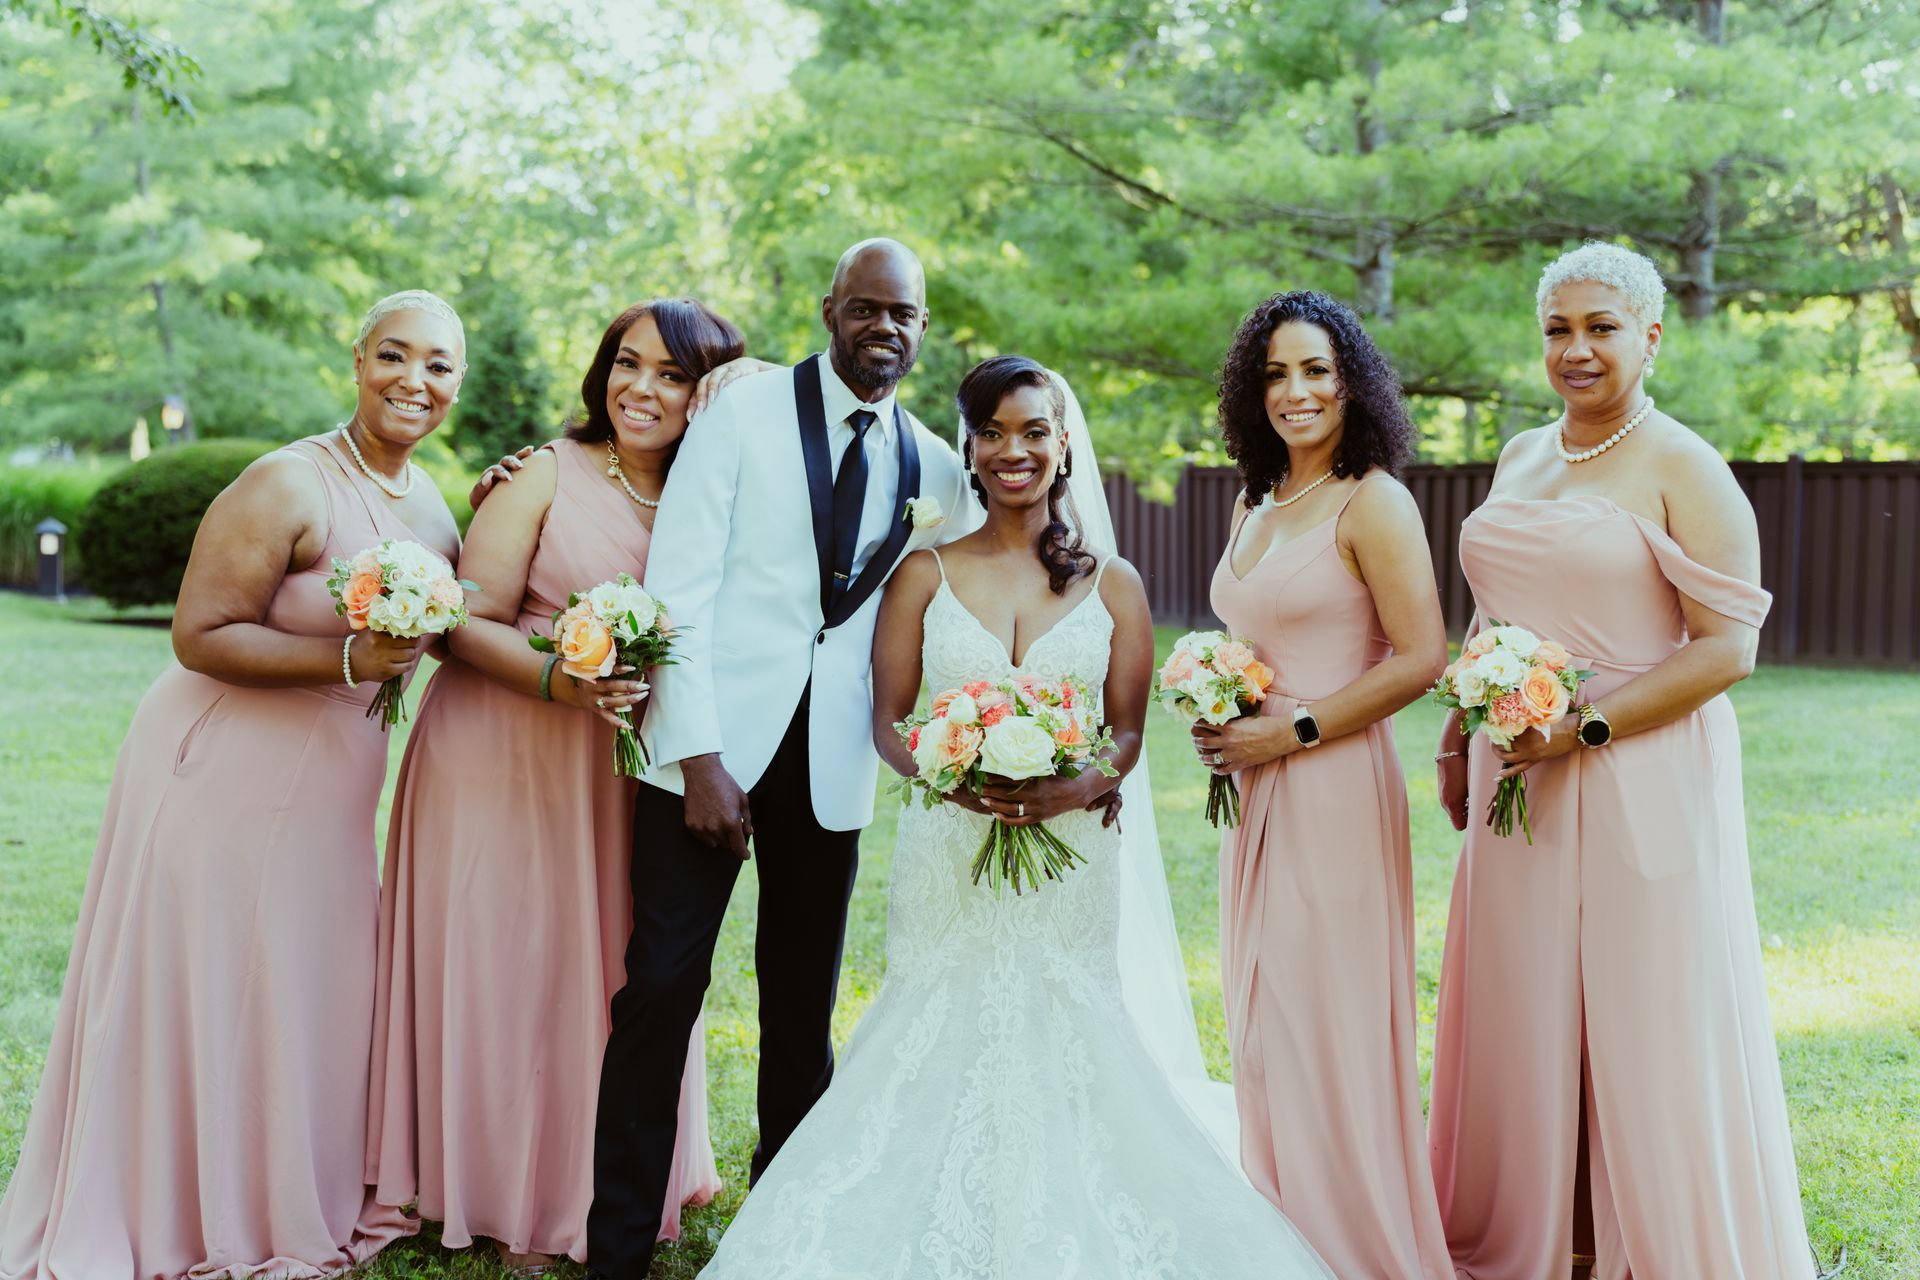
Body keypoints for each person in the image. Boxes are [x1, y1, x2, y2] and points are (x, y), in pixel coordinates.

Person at [693, 354, 1334, 1278]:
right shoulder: (925, 573)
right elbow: (888, 719)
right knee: (933, 1015)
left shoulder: (1114, 585)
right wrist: (950, 775)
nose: (1011, 450)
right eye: (991, 433)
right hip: (948, 846)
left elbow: (1123, 733)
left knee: (1066, 1020)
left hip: (1070, 855)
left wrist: (1073, 787)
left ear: (1063, 443)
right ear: (969, 448)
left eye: (1032, 431)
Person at [0, 290, 464, 1280]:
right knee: (209, 973)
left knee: (306, 978)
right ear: (356, 358)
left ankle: (286, 1185)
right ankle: (172, 1203)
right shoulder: (285, 482)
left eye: (439, 365)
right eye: (394, 354)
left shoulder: (433, 505)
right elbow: (200, 631)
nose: (414, 381)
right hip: (222, 763)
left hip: (338, 782)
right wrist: (345, 657)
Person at [584, 239, 972, 1277]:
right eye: (867, 307)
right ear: (831, 307)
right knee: (660, 985)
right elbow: (681, 587)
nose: (885, 327)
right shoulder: (738, 417)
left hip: (834, 764)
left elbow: (985, 578)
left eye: (906, 314)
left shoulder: (935, 463)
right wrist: (700, 755)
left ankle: (784, 1235)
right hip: (707, 754)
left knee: (801, 1006)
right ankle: (616, 1246)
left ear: (922, 329)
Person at [1427, 242, 1813, 1279]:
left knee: (1640, 1010)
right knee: (1530, 1002)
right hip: (1522, 773)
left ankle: (1647, 1240)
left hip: (1638, 770)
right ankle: (1555, 1234)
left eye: (1602, 327)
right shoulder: (1520, 453)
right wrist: (1462, 729)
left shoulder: (1684, 464)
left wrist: (1584, 728)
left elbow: (1728, 645)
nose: (1578, 349)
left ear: (1651, 334)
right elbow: (1492, 613)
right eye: (1559, 328)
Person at [364, 300, 770, 1271]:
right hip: (502, 747)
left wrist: (746, 382)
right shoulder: (546, 471)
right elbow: (466, 621)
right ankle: (505, 1193)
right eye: (627, 364)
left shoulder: (719, 492)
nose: (640, 387)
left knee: (601, 973)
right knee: (512, 969)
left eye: (673, 374)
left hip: (623, 770)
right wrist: (563, 674)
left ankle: (604, 1177)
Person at [1195, 289, 1454, 1278]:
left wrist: (1288, 731)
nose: (1295, 391)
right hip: (1254, 794)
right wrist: (1220, 703)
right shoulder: (1254, 499)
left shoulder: (1371, 498)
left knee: (1323, 1019)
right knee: (1261, 1015)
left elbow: (1421, 654)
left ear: (1352, 380)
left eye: (1315, 369)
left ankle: (1353, 1244)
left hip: (1333, 785)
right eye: (1274, 373)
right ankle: (1283, 1231)